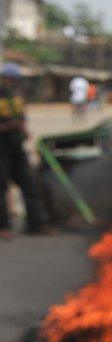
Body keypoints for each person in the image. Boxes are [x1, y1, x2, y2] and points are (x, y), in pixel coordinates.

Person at [0, 64, 49, 237]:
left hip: (17, 147)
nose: (12, 83)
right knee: (2, 188)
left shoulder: (16, 96)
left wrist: (23, 130)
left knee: (30, 184)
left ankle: (36, 225)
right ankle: (3, 227)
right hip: (1, 148)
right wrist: (6, 126)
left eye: (15, 80)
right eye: (10, 80)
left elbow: (20, 118)